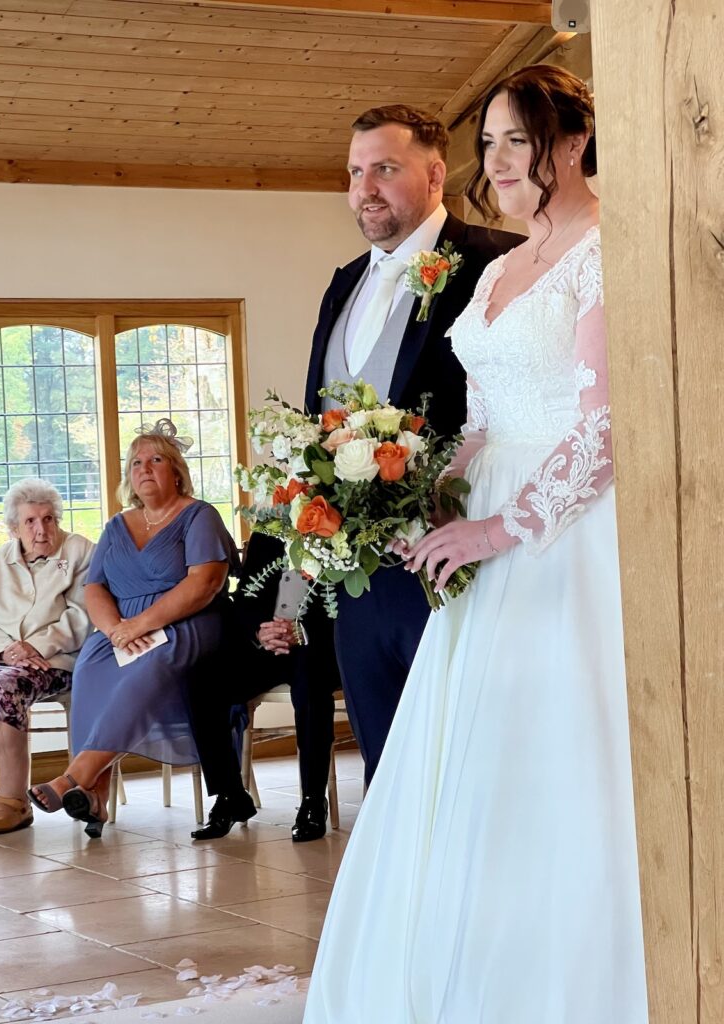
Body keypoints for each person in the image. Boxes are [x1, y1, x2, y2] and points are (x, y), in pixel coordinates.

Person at [303, 65, 648, 1023]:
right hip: (479, 537)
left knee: (559, 753)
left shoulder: (608, 248)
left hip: (569, 533)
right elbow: (487, 417)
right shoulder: (498, 270)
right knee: (466, 762)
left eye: (516, 140)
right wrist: (423, 489)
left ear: (571, 144)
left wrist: (506, 525)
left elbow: (609, 425)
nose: (496, 162)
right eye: (488, 142)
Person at [304, 103, 523, 784]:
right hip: (358, 580)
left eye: (385, 169)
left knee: (463, 768)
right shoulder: (343, 281)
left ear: (435, 174)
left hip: (455, 567)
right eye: (355, 171)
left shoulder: (496, 260)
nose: (364, 187)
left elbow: (518, 411)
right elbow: (323, 414)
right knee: (385, 773)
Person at [28, 419, 239, 837]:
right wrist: (113, 631)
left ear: (176, 470)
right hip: (121, 629)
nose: (144, 468)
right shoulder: (117, 525)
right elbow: (95, 587)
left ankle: (75, 777)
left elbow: (204, 584)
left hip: (185, 624)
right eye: (136, 462)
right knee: (91, 667)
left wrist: (141, 624)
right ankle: (95, 799)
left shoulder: (199, 516)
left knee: (146, 667)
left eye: (156, 460)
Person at [0, 479, 93, 836]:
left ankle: (13, 800)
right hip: (0, 660)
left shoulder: (79, 551)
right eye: (30, 521)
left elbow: (82, 615)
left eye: (49, 519)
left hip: (55, 661)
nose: (41, 529)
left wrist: (36, 647)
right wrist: (9, 650)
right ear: (14, 528)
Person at [190, 532, 341, 842]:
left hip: (319, 647)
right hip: (269, 646)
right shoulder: (267, 534)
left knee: (311, 680)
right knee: (203, 679)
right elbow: (245, 600)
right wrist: (262, 631)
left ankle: (313, 799)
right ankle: (231, 795)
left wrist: (298, 630)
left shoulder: (339, 532)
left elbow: (345, 604)